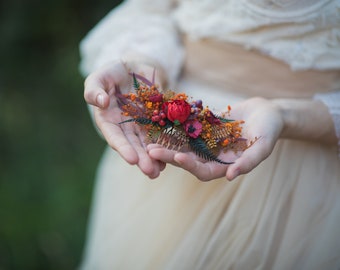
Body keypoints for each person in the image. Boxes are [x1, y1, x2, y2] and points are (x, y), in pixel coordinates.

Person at [79, 0, 340, 269]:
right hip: (171, 148)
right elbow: (153, 11)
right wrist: (145, 63)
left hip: (307, 178)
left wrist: (288, 116)